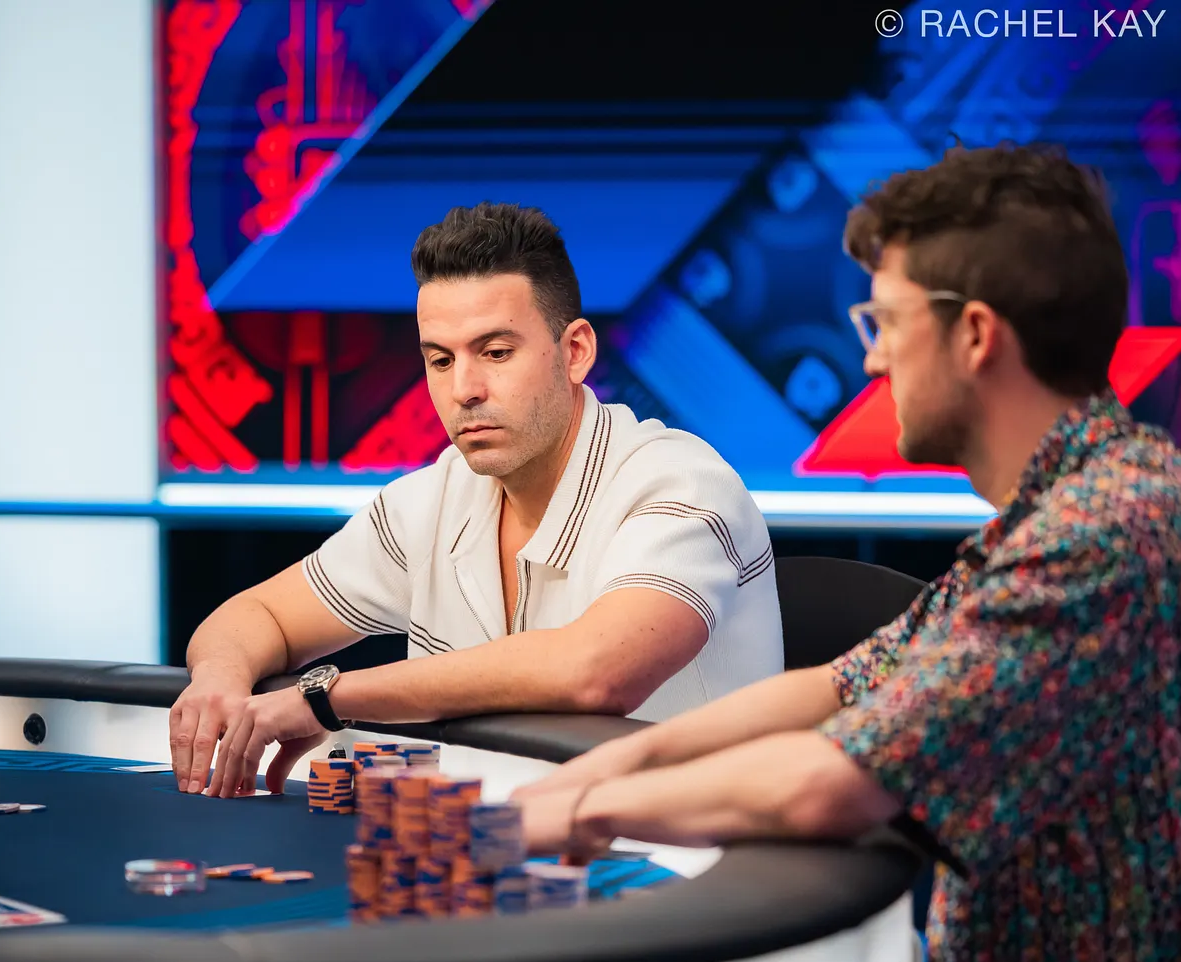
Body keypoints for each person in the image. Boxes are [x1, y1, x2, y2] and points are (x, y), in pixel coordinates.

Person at [515, 145, 1181, 962]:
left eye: (886, 320)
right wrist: (619, 760)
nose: (870, 354)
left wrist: (570, 816)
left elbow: (834, 782)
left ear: (974, 334)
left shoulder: (1103, 535)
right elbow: (840, 683)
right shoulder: (1089, 495)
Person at [171, 203, 783, 799]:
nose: (463, 389)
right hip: (501, 843)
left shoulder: (680, 483)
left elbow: (596, 672)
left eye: (495, 353)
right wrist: (220, 680)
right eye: (440, 360)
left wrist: (325, 700)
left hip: (691, 852)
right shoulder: (431, 500)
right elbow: (256, 616)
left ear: (575, 352)